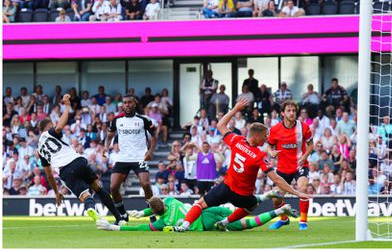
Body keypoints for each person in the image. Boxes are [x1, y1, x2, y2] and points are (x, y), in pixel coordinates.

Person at [171, 98, 311, 232]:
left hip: (226, 187)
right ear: (256, 136)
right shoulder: (259, 155)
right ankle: (225, 223)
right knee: (252, 205)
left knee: (200, 204)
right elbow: (276, 179)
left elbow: (220, 125)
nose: (267, 139)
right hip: (242, 195)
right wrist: (296, 192)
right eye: (264, 136)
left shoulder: (237, 141)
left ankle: (184, 226)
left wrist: (235, 109)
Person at [37, 94, 123, 225]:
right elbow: (59, 127)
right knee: (98, 188)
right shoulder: (49, 132)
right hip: (77, 161)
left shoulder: (40, 149)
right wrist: (67, 106)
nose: (54, 126)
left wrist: (56, 192)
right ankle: (119, 218)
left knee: (85, 196)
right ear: (48, 127)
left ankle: (92, 210)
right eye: (52, 125)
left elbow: (49, 175)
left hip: (65, 171)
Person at [96, 194, 297, 232]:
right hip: (208, 209)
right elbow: (157, 204)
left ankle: (279, 210)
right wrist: (142, 210)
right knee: (241, 210)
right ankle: (262, 198)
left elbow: (140, 228)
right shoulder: (171, 201)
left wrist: (116, 227)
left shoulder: (160, 222)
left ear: (154, 212)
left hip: (205, 224)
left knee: (247, 224)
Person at [103, 94, 158, 223]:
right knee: (113, 187)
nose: (127, 105)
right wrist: (106, 147)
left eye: (129, 102)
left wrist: (150, 151)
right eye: (125, 103)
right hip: (123, 158)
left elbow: (154, 135)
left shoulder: (144, 119)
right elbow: (109, 136)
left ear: (135, 104)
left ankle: (151, 213)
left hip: (140, 157)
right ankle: (123, 214)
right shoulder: (116, 120)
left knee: (146, 184)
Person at [267, 100, 314, 230]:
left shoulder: (303, 127)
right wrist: (271, 153)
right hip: (283, 168)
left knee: (302, 188)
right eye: (289, 110)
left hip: (300, 165)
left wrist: (304, 157)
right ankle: (284, 219)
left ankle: (303, 222)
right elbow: (269, 146)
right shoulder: (275, 130)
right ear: (282, 113)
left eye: (293, 110)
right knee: (276, 197)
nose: (292, 113)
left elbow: (311, 145)